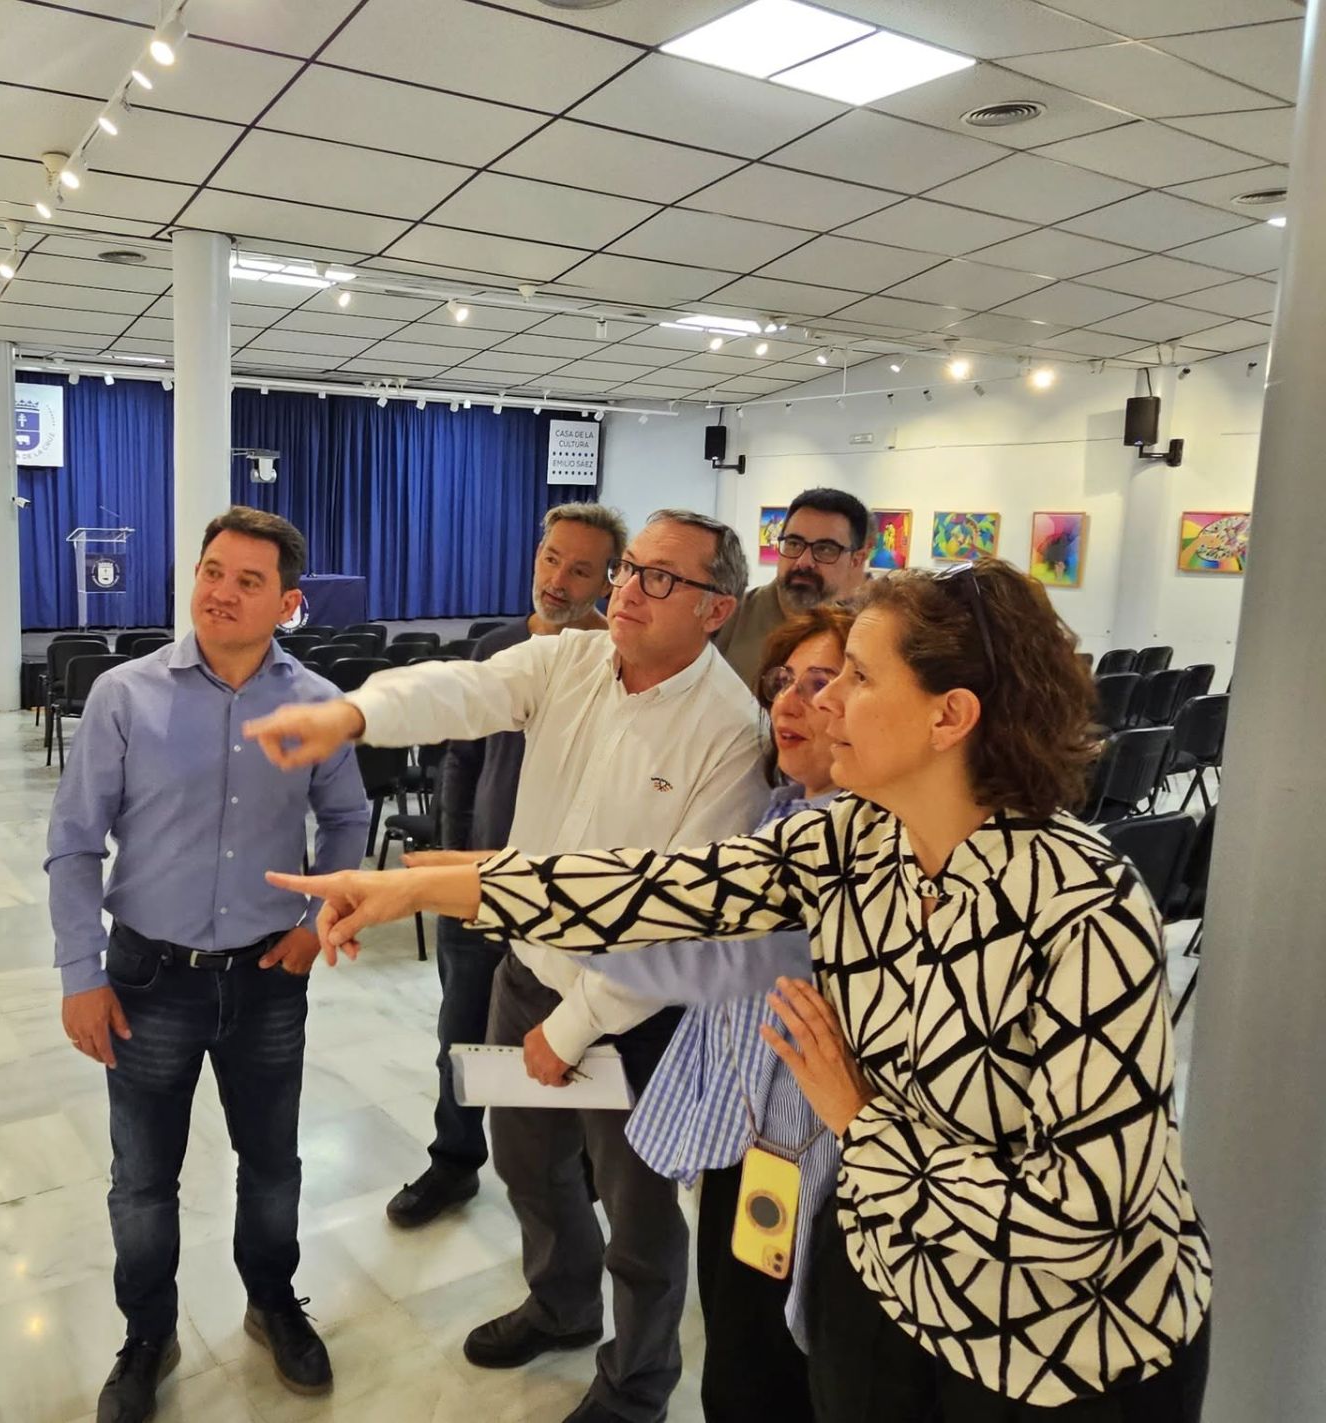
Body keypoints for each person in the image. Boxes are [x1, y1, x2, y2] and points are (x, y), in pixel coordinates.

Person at [270, 559, 1213, 1422]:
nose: (822, 700)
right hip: (891, 1288)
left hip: (1059, 1354)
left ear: (949, 716)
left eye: (857, 676)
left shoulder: (1080, 905)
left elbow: (1080, 1216)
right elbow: (650, 888)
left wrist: (857, 1120)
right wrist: (415, 887)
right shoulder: (851, 840)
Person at [244, 510, 768, 1423]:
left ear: (716, 608)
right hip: (528, 968)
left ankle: (637, 1385)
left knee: (639, 1220)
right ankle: (563, 1305)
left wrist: (569, 1031)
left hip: (633, 1012)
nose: (627, 591)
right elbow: (465, 689)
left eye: (659, 579)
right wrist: (353, 713)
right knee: (529, 1164)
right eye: (630, 570)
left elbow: (680, 926)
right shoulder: (573, 661)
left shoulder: (730, 732)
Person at [46, 507, 371, 1423]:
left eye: (247, 580)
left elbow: (347, 818)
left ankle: (272, 1301)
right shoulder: (125, 694)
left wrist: (318, 918)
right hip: (149, 974)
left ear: (288, 603)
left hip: (270, 974)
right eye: (211, 570)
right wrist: (81, 970)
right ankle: (148, 1331)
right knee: (143, 1176)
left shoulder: (313, 701)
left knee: (272, 1162)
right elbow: (74, 842)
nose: (220, 592)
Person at [587, 604, 856, 1423]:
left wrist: (478, 888)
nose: (789, 702)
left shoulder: (845, 842)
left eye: (823, 683)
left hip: (814, 1149)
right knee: (737, 1354)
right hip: (752, 1139)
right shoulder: (779, 809)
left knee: (770, 1370)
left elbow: (692, 949)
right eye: (783, 681)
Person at [387, 501, 626, 1230]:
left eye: (580, 568)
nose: (557, 579)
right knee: (460, 1036)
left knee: (572, 1044)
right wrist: (459, 858)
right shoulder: (496, 644)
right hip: (482, 893)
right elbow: (460, 758)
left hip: (568, 903)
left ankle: (576, 1178)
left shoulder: (620, 660)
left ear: (610, 579)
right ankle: (454, 1161)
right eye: (550, 558)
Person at [715, 487, 871, 683]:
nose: (804, 561)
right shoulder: (727, 617)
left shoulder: (862, 638)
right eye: (794, 543)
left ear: (856, 560)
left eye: (825, 549)